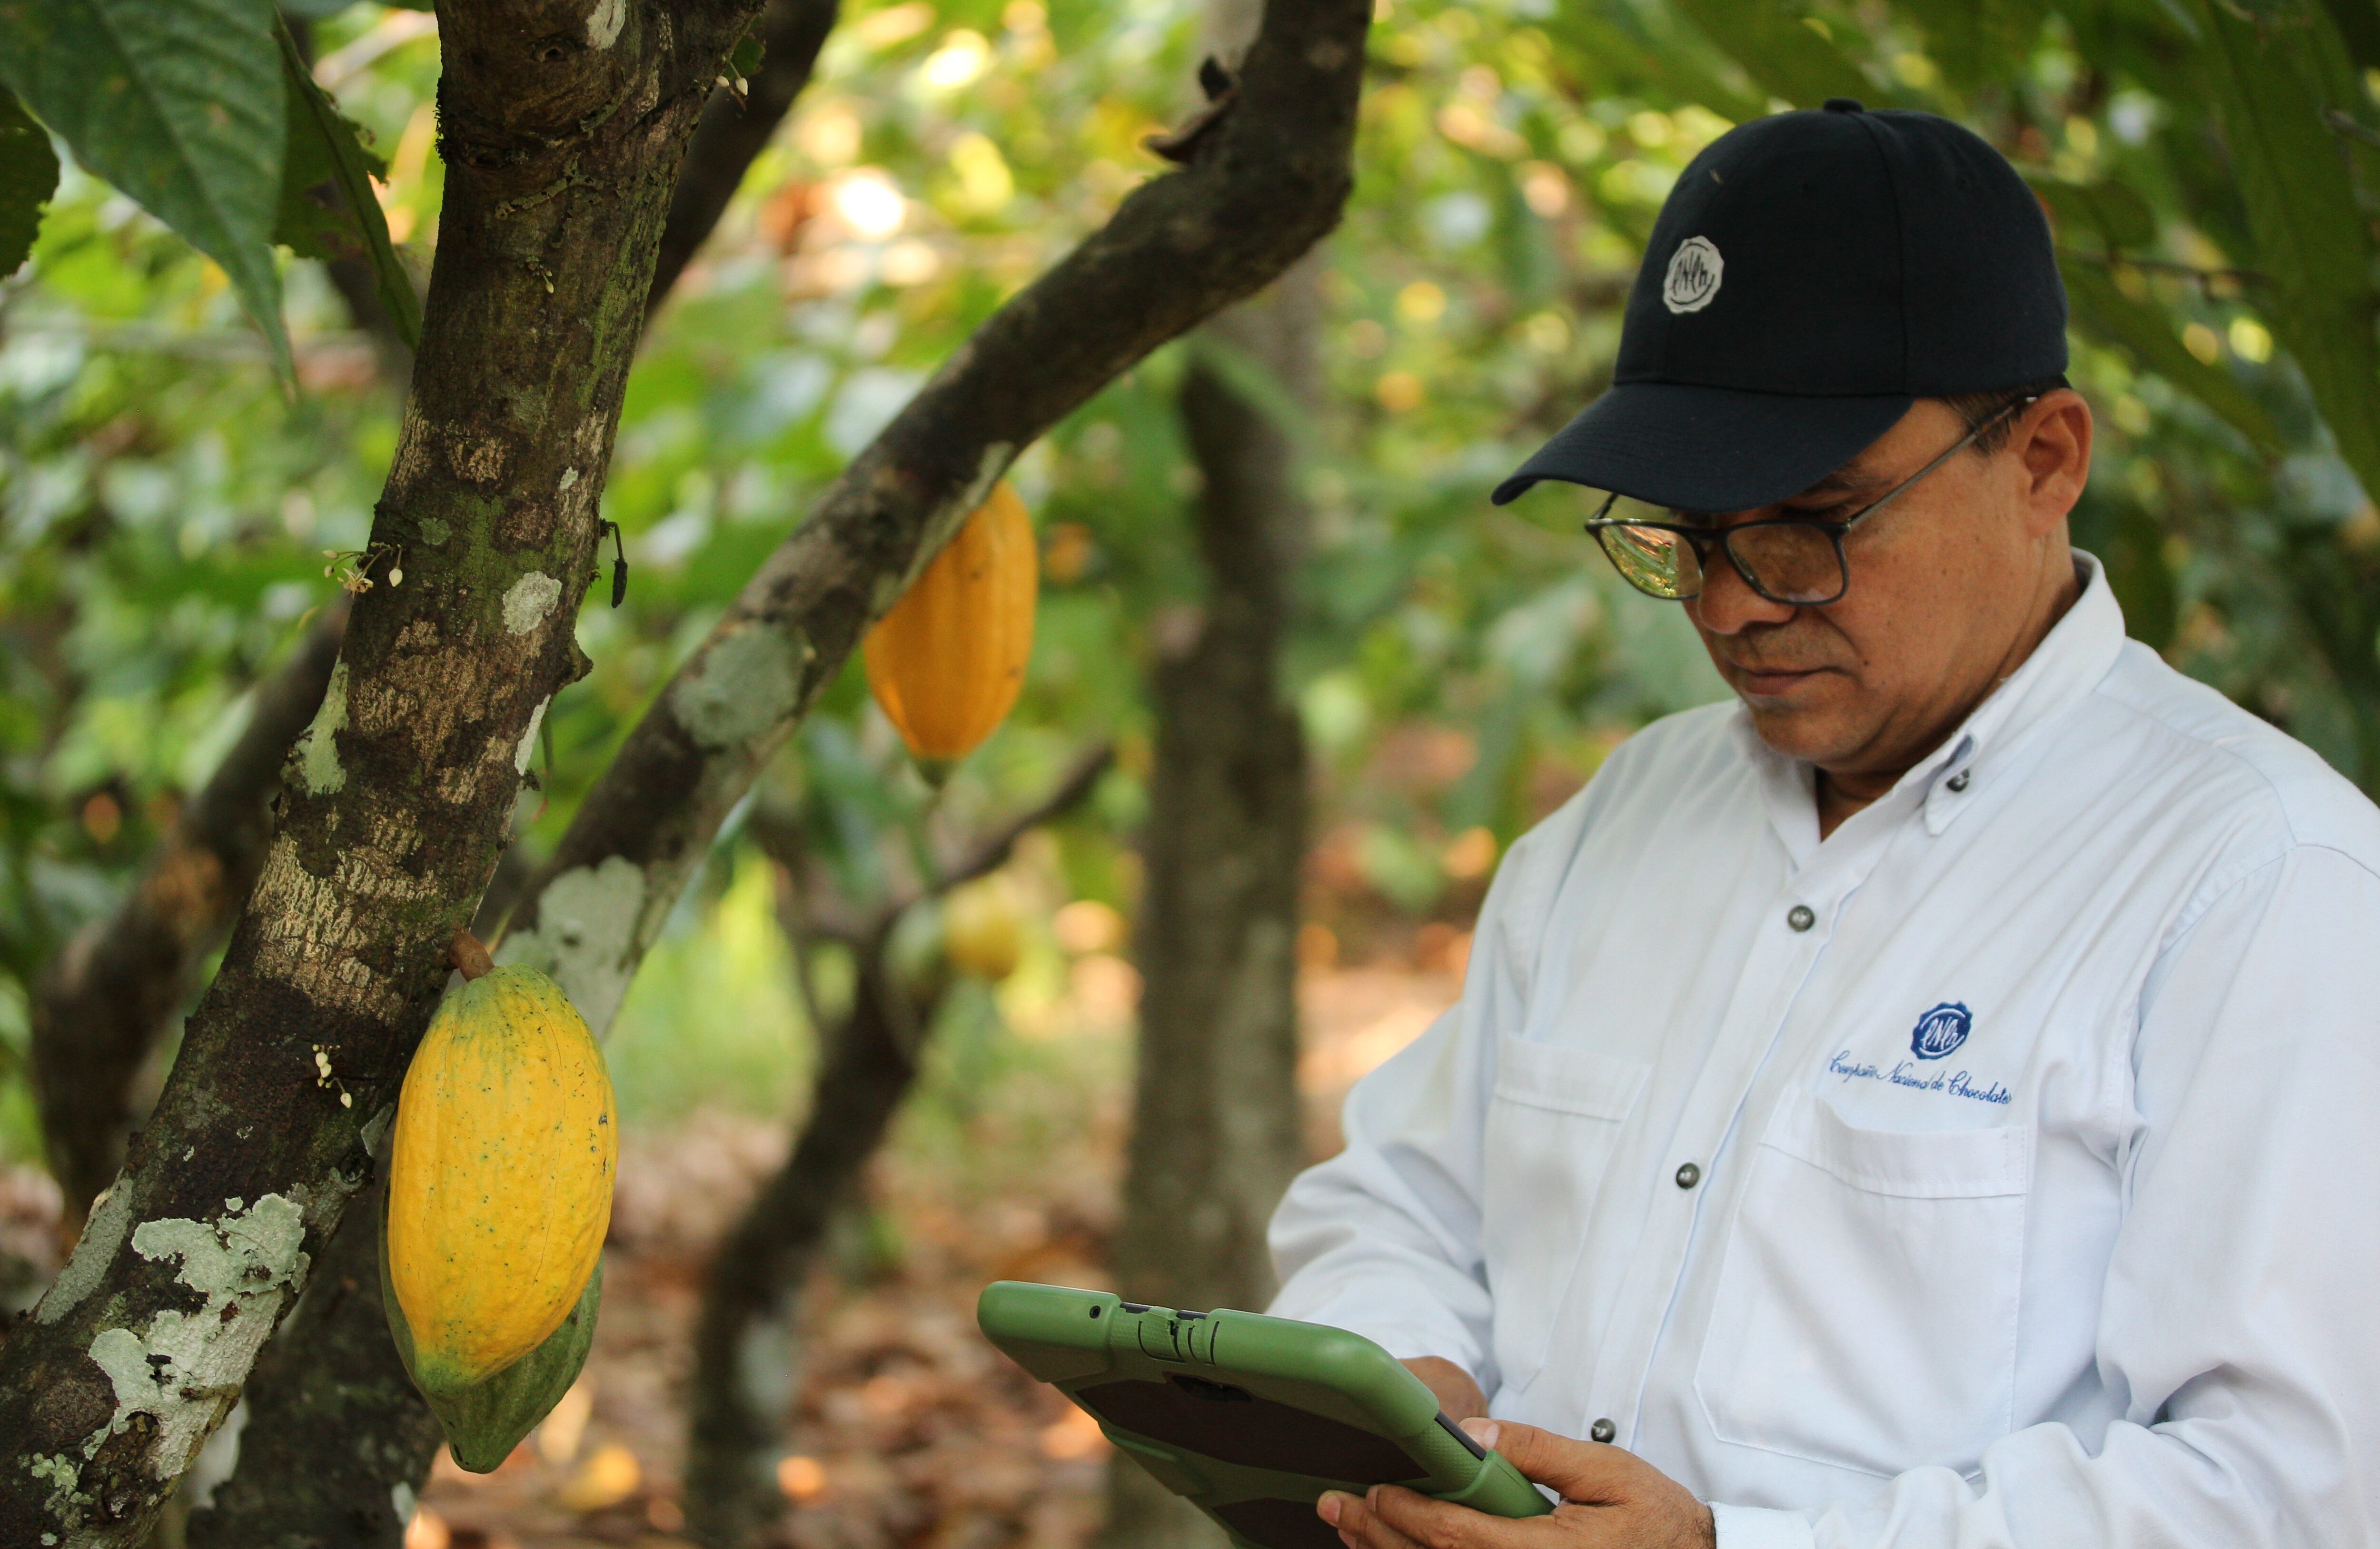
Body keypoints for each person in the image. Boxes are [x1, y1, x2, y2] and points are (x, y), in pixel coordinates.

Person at [1268, 100, 2380, 1549]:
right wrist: (1405, 1385)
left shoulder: (2259, 882)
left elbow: (2291, 1491)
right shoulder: (1631, 817)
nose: (1732, 606)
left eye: (1811, 524)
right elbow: (1400, 1203)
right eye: (1689, 535)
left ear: (2044, 458)